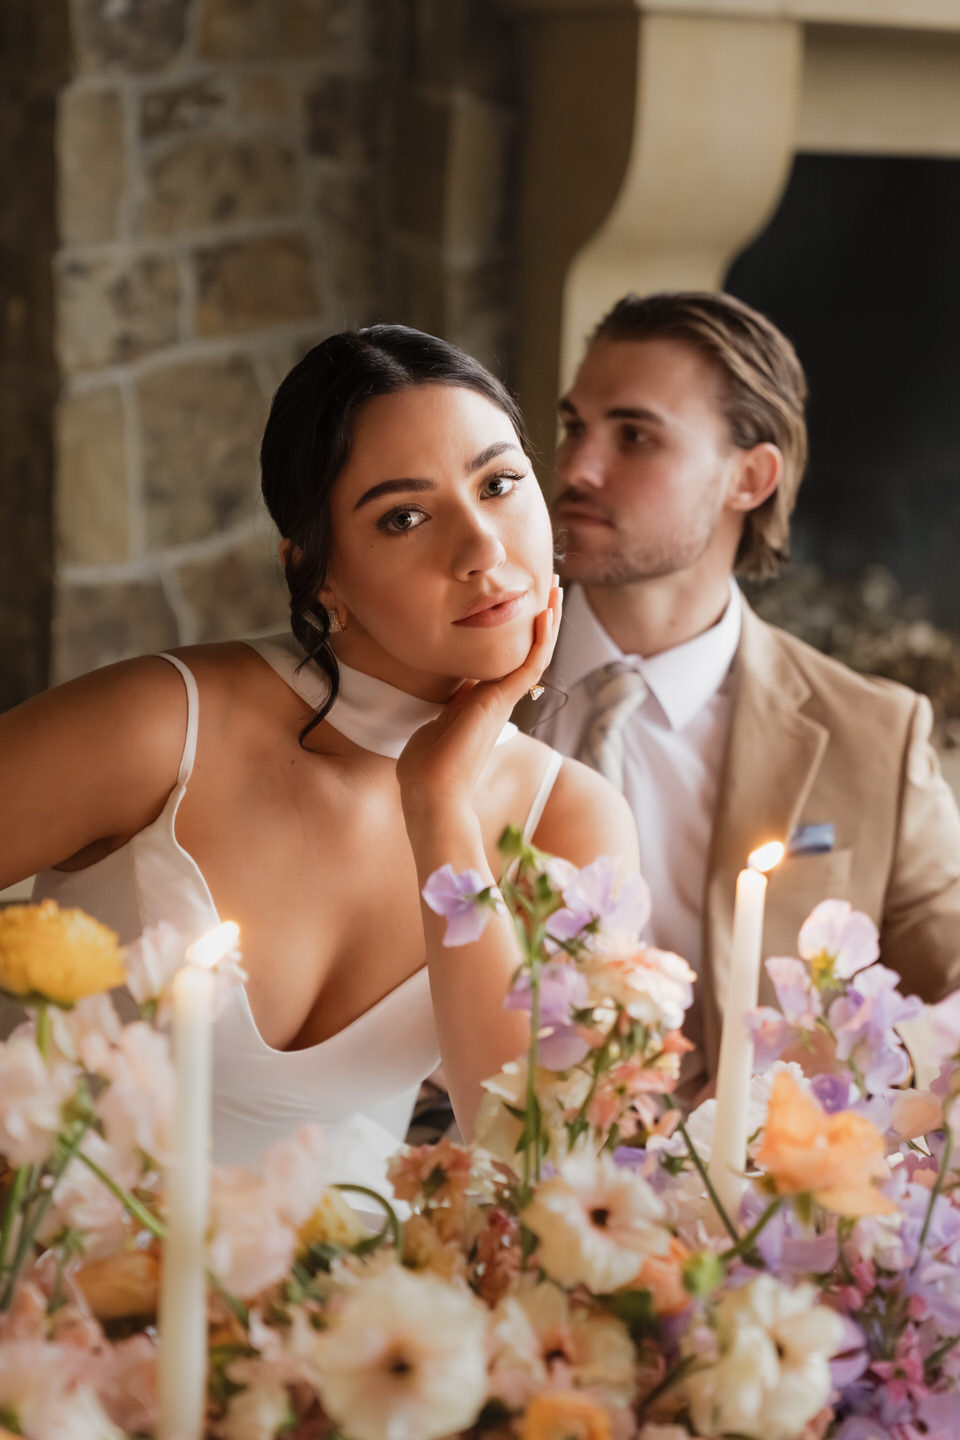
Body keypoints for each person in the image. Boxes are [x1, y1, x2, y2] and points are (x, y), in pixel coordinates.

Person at [0, 325, 638, 1186]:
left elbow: (537, 1154)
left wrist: (440, 805)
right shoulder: (163, 726)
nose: (484, 548)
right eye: (404, 516)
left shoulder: (568, 819)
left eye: (498, 483)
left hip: (337, 1299)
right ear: (319, 572)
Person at [516, 290, 960, 1096]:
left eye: (635, 435)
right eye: (575, 425)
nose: (575, 467)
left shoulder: (875, 736)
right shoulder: (455, 694)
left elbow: (951, 985)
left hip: (762, 1205)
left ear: (748, 478)